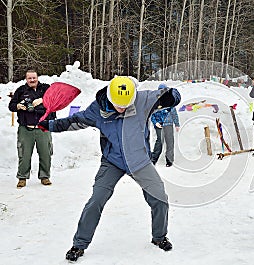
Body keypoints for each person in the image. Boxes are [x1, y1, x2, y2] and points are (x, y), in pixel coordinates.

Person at [38, 76, 181, 261]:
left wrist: (171, 96)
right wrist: (50, 125)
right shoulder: (97, 109)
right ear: (111, 98)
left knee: (160, 198)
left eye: (126, 105)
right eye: (119, 105)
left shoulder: (142, 99)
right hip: (112, 161)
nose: (123, 109)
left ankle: (159, 237)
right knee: (96, 200)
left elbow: (171, 96)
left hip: (139, 161)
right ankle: (79, 245)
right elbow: (75, 121)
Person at [8, 69, 56, 188]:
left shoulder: (46, 89)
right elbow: (11, 106)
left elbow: (55, 99)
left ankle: (45, 176)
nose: (32, 80)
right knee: (24, 154)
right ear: (26, 79)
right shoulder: (21, 90)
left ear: (37, 77)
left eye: (34, 77)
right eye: (29, 78)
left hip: (43, 127)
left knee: (46, 153)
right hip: (26, 128)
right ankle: (22, 178)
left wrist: (43, 100)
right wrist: (18, 105)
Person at [151, 84, 180, 167]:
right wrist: (155, 122)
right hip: (159, 125)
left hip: (168, 125)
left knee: (170, 142)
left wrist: (177, 124)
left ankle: (169, 160)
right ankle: (153, 159)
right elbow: (152, 114)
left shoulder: (170, 100)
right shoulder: (155, 101)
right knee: (159, 142)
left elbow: (174, 113)